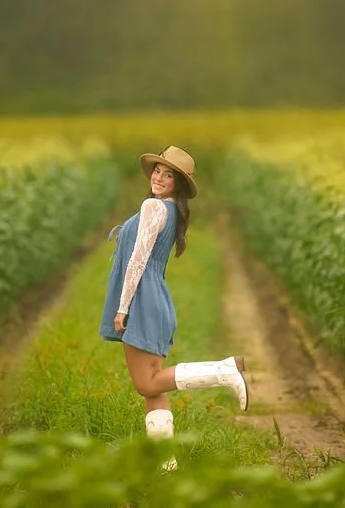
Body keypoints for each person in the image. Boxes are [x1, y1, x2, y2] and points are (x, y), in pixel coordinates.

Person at [99, 145, 249, 471]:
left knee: (146, 384)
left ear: (178, 185)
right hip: (156, 300)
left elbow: (138, 261)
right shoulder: (169, 210)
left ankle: (223, 371)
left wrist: (123, 308)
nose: (159, 177)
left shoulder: (153, 207)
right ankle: (166, 465)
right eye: (157, 171)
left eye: (169, 175)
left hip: (142, 300)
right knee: (154, 390)